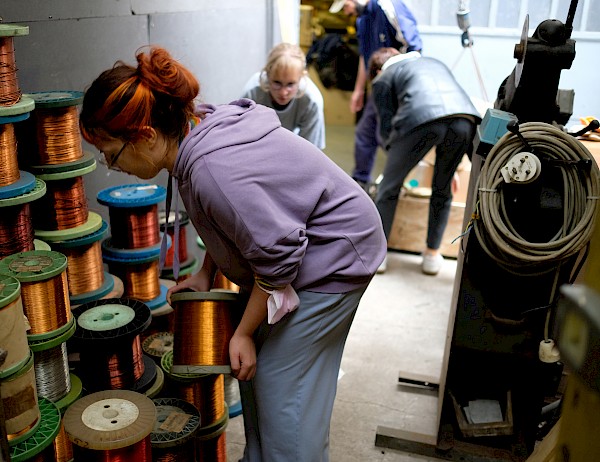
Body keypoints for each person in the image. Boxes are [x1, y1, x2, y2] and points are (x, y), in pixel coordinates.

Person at [79, 46, 386, 462]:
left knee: (281, 384)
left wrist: (242, 331)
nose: (111, 164)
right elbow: (238, 223)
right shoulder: (192, 131)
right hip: (305, 245)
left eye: (112, 155)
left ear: (146, 136)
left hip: (335, 255)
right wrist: (208, 272)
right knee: (256, 369)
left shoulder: (210, 169)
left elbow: (278, 257)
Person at [368, 47, 481, 275]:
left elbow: (388, 130)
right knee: (443, 189)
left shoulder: (383, 78)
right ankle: (431, 254)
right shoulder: (432, 61)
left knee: (388, 188)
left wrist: (398, 164)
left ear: (378, 70)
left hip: (419, 120)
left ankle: (378, 255)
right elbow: (444, 111)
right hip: (464, 119)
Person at [329, 0, 422, 190]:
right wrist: (359, 90)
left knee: (390, 135)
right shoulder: (362, 21)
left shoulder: (389, 7)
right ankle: (360, 182)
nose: (346, 12)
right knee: (365, 132)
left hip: (400, 85)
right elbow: (366, 58)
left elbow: (415, 48)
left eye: (345, 5)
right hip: (380, 87)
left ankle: (398, 183)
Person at [242, 42, 326, 149]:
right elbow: (242, 139)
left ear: (301, 78)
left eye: (290, 84)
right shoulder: (252, 93)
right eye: (277, 83)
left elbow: (311, 151)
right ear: (267, 74)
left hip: (293, 144)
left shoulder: (311, 101)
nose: (283, 93)